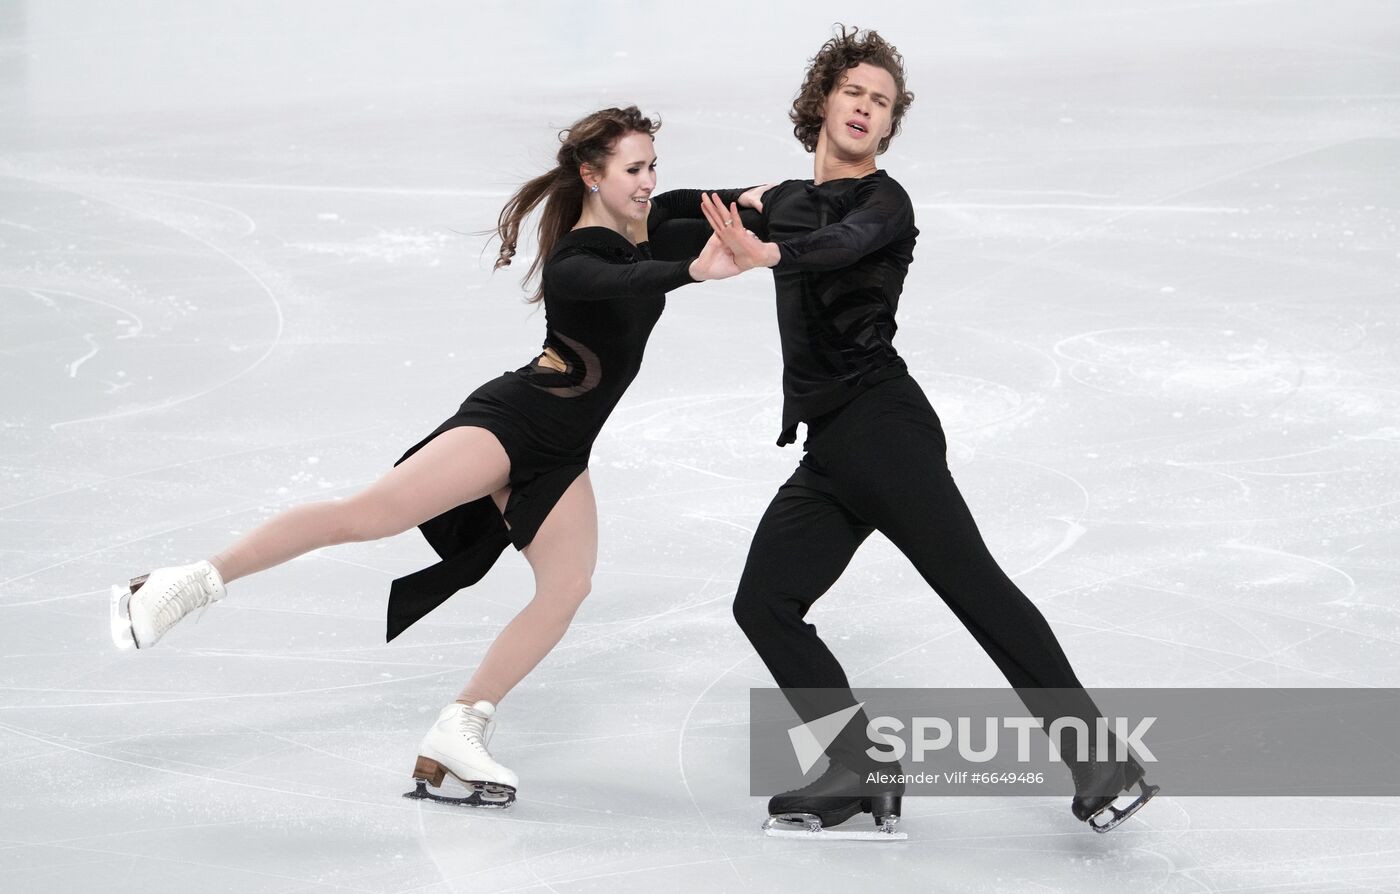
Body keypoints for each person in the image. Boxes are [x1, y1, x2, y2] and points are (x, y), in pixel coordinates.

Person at [109, 105, 741, 808]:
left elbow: (729, 204)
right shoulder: (577, 255)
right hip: (517, 421)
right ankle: (182, 584)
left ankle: (459, 727)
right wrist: (689, 269)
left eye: (653, 166)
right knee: (368, 515)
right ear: (592, 175)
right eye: (634, 169)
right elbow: (617, 284)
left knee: (566, 588)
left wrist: (798, 201)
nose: (650, 181)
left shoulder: (648, 223)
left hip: (565, 450)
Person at [663, 26, 1157, 836]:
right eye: (854, 92)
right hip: (832, 448)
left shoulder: (883, 203)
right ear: (823, 100)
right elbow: (693, 213)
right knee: (766, 603)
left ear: (890, 127)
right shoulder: (776, 198)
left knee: (975, 588)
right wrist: (624, 200)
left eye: (882, 103)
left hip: (885, 431)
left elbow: (836, 245)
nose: (865, 107)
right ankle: (859, 762)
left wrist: (770, 251)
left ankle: (1101, 757)